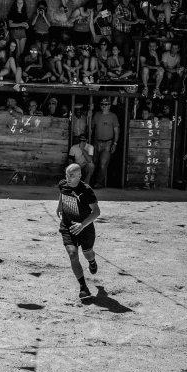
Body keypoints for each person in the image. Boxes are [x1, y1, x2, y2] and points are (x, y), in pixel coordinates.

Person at [57, 163, 101, 300]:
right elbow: (62, 193)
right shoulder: (63, 184)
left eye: (71, 176)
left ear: (79, 176)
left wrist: (82, 225)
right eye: (66, 175)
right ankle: (83, 287)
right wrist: (59, 206)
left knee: (88, 254)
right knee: (72, 253)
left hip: (85, 228)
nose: (68, 178)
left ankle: (92, 261)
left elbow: (96, 211)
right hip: (68, 226)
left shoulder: (86, 190)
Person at [91, 97, 119, 189]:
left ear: (109, 106)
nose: (104, 106)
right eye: (102, 104)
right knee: (94, 162)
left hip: (108, 143)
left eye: (106, 104)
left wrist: (115, 143)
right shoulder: (96, 115)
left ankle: (99, 183)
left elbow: (116, 131)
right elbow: (91, 127)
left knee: (103, 164)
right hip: (96, 142)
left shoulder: (113, 116)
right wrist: (89, 112)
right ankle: (92, 182)